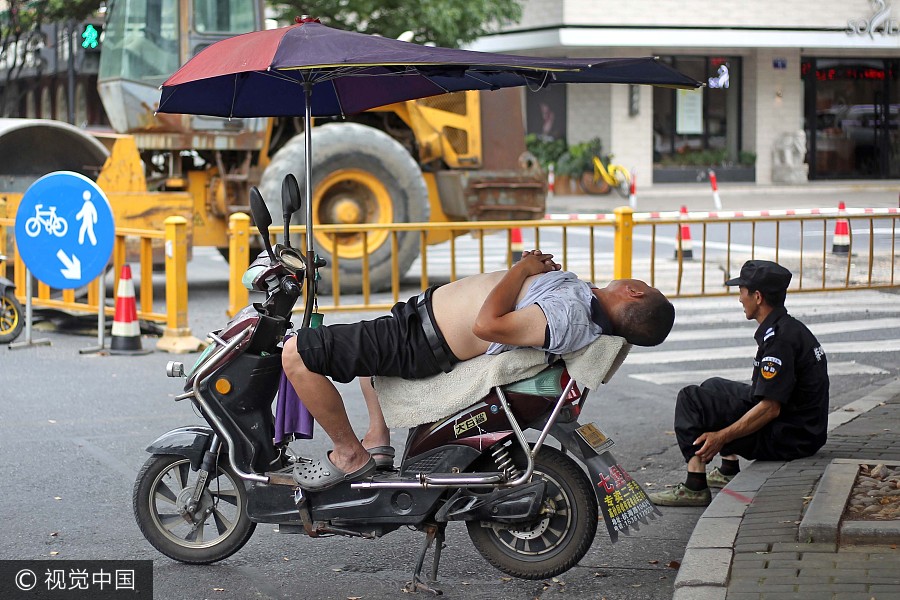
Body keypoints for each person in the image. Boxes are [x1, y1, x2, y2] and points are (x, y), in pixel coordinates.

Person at [282, 250, 676, 491]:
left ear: (635, 292)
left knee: (297, 353)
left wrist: (523, 270)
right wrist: (534, 271)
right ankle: (375, 440)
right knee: (360, 354)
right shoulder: (580, 301)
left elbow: (487, 326)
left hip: (420, 341)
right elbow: (517, 301)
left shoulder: (571, 317)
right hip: (415, 326)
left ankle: (350, 454)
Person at [648, 260, 829, 507]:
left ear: (757, 296)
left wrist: (721, 436)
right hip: (800, 428)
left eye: (742, 291)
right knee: (713, 386)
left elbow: (770, 408)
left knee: (690, 398)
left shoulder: (780, 340)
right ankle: (729, 468)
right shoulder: (787, 328)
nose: (739, 299)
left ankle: (695, 485)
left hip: (789, 438)